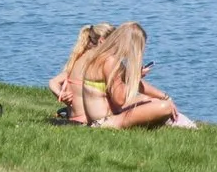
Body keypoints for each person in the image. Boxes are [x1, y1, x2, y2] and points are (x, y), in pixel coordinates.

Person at [51, 21, 195, 128]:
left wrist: (164, 96)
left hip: (104, 118)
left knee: (152, 101)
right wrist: (132, 79)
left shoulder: (103, 57)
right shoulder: (110, 61)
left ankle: (168, 119)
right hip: (104, 122)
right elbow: (119, 100)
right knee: (164, 107)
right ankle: (173, 121)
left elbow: (129, 85)